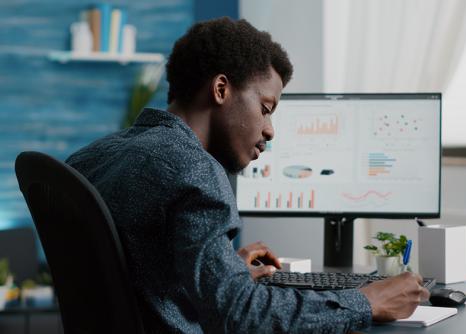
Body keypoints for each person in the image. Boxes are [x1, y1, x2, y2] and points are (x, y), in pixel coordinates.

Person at [66, 17, 429, 333]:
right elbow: (241, 318)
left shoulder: (94, 157)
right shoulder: (195, 169)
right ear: (221, 89)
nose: (270, 130)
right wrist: (366, 301)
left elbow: (137, 275)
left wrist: (222, 272)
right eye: (266, 109)